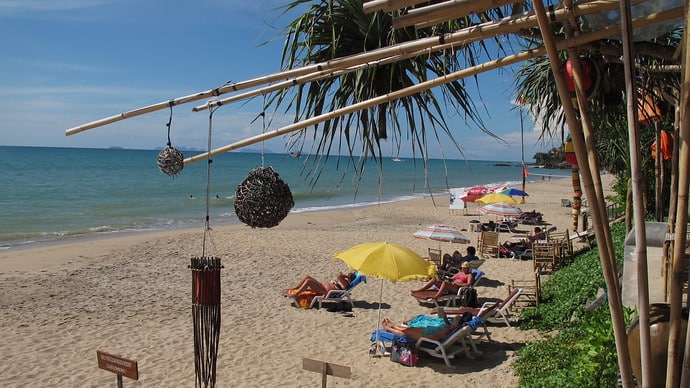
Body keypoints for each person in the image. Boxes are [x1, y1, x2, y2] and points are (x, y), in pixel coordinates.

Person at [381, 315, 463, 341]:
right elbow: (457, 318)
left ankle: (388, 328)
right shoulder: (451, 327)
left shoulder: (446, 331)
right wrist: (451, 325)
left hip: (426, 334)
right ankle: (394, 325)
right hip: (427, 329)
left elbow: (435, 337)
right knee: (408, 329)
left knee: (405, 333)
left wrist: (424, 338)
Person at [285, 272, 356, 296]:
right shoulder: (343, 281)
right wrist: (344, 276)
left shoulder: (346, 284)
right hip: (322, 286)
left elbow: (338, 276)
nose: (347, 275)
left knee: (308, 281)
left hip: (325, 291)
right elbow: (339, 276)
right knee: (307, 277)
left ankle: (296, 294)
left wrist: (345, 276)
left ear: (350, 279)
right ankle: (295, 288)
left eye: (349, 275)